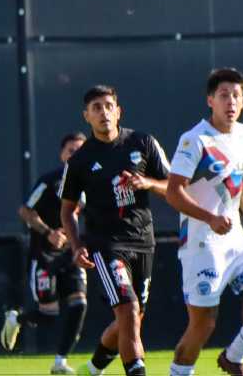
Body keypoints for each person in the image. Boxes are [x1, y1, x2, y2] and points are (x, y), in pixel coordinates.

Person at [165, 68, 243, 376]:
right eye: (224, 95)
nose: (231, 102)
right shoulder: (194, 140)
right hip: (202, 243)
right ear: (210, 100)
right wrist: (209, 217)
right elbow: (172, 191)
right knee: (203, 324)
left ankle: (233, 358)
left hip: (235, 237)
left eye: (236, 95)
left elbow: (239, 176)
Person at [59, 85, 170, 376]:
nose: (103, 112)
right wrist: (75, 245)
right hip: (104, 245)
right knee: (127, 311)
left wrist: (148, 184)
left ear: (118, 111)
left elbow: (173, 186)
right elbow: (67, 210)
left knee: (131, 320)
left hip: (143, 242)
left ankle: (91, 369)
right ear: (86, 116)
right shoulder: (79, 160)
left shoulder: (142, 142)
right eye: (96, 107)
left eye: (109, 106)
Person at [1, 132, 88, 374]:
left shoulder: (89, 184)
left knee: (79, 304)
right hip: (44, 256)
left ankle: (60, 361)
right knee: (48, 314)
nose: (76, 155)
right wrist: (49, 232)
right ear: (63, 155)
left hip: (71, 255)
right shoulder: (49, 181)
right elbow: (25, 210)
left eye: (81, 150)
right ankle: (16, 320)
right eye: (71, 151)